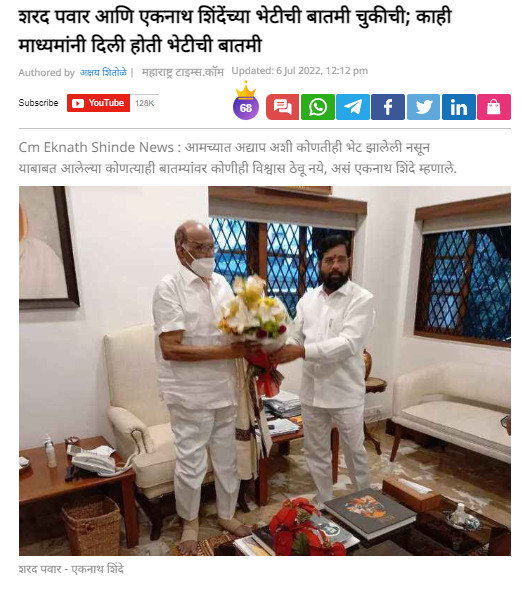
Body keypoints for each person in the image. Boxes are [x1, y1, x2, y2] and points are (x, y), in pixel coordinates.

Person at [152, 220, 256, 555]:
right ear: (180, 250)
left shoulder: (222, 283)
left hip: (224, 388)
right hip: (189, 394)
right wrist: (229, 352)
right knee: (192, 463)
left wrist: (255, 334)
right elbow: (171, 348)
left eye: (211, 246)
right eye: (199, 248)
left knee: (227, 457)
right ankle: (190, 522)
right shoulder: (169, 288)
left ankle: (226, 514)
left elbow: (233, 330)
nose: (208, 253)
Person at [269, 234, 375, 506]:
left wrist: (301, 351)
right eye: (329, 260)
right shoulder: (308, 299)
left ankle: (364, 503)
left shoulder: (361, 299)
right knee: (315, 451)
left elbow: (348, 344)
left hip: (345, 392)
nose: (335, 265)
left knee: (354, 452)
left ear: (349, 260)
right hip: (312, 392)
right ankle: (324, 500)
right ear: (320, 263)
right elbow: (296, 335)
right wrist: (276, 348)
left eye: (340, 259)